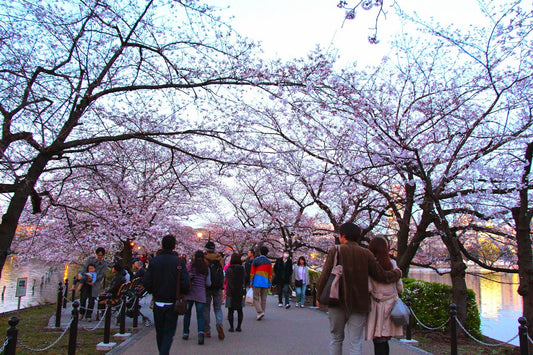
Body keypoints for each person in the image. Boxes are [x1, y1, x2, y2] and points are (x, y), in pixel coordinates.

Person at [316, 223, 402, 355]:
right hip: (359, 304)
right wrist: (397, 273)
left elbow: (325, 276)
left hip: (337, 301)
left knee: (336, 338)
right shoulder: (366, 253)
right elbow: (381, 275)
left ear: (343, 236)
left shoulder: (336, 250)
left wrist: (319, 296)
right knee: (355, 342)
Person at [143, 234, 189, 355]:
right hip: (172, 302)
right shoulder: (179, 262)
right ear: (174, 247)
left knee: (160, 331)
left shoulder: (154, 261)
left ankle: (162, 352)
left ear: (162, 245)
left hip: (158, 300)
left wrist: (154, 291)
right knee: (169, 332)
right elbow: (185, 283)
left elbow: (146, 282)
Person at [366, 236, 404, 355]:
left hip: (377, 304)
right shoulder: (393, 264)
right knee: (386, 338)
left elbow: (369, 287)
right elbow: (400, 288)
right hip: (391, 304)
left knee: (378, 339)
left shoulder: (370, 266)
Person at [183, 250, 208, 345]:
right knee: (200, 315)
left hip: (190, 292)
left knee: (187, 314)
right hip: (201, 293)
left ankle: (185, 333)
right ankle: (201, 333)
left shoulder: (190, 267)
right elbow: (208, 282)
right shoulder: (205, 268)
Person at [203, 241, 225, 340]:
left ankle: (207, 329)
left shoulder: (204, 259)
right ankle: (219, 324)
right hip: (218, 286)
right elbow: (222, 271)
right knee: (218, 308)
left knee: (206, 308)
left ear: (206, 250)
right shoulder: (219, 258)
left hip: (207, 287)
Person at [80, 247, 108, 320]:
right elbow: (84, 267)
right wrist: (82, 275)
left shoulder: (104, 263)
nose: (99, 257)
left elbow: (102, 274)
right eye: (98, 255)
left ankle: (88, 315)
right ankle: (81, 313)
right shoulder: (90, 260)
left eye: (101, 256)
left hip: (95, 283)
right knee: (83, 297)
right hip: (86, 281)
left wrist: (94, 279)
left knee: (92, 299)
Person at [250, 245, 273, 320]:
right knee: (263, 299)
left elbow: (252, 272)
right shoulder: (269, 262)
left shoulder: (256, 260)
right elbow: (270, 274)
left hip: (257, 281)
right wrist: (269, 283)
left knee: (255, 298)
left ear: (260, 252)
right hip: (265, 282)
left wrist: (251, 281)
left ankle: (260, 312)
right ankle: (262, 311)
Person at [225, 253, 245, 332]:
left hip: (230, 291)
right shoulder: (242, 269)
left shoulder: (229, 269)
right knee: (240, 310)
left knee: (230, 310)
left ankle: (231, 327)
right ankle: (239, 326)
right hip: (240, 291)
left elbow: (227, 279)